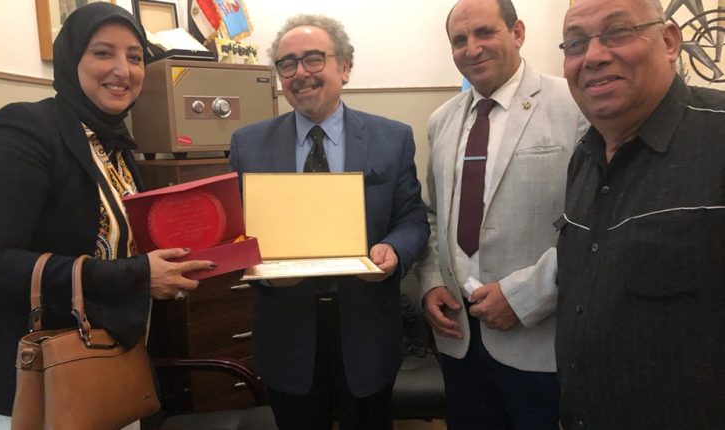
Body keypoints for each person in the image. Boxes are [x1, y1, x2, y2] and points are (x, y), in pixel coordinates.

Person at [0, 4, 214, 429]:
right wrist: (137, 276)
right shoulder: (27, 128)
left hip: (108, 373)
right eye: (103, 53)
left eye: (135, 57)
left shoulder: (114, 144)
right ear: (71, 59)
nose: (123, 70)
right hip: (35, 388)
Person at [229, 14, 429, 430]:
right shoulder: (248, 144)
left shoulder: (392, 138)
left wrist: (394, 249)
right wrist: (263, 273)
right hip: (286, 334)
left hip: (367, 332)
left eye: (313, 59)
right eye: (287, 63)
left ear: (345, 67)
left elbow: (412, 219)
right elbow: (236, 235)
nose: (300, 72)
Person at [415, 0, 587, 428]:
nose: (471, 48)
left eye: (484, 33)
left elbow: (591, 226)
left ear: (518, 33)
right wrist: (432, 283)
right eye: (459, 40)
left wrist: (525, 297)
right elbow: (433, 216)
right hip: (460, 340)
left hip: (540, 341)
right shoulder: (441, 121)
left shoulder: (574, 104)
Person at [555, 0, 725, 428]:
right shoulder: (585, 156)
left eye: (617, 32)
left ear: (669, 41)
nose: (593, 56)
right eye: (576, 43)